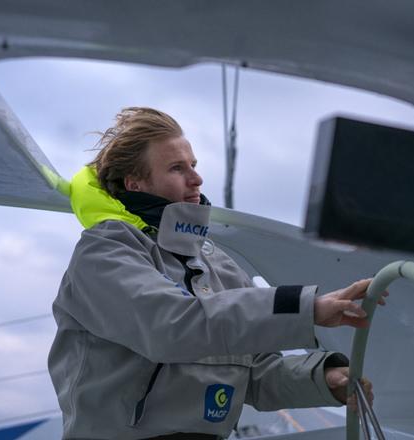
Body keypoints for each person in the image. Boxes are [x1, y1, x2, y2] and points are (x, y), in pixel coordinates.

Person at [48, 107, 385, 440]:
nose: (196, 178)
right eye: (177, 168)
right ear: (134, 183)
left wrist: (325, 381)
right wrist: (307, 309)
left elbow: (253, 372)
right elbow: (172, 326)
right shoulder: (106, 250)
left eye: (193, 165)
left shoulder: (216, 263)